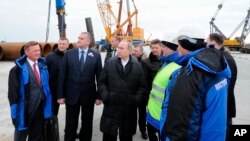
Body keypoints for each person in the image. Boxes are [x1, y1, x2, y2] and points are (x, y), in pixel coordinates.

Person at [160, 35, 231, 141]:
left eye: (179, 45)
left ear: (187, 45)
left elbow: (211, 127)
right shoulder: (187, 68)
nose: (177, 48)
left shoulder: (203, 74)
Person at [98, 39, 146, 141]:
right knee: (109, 135)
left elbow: (142, 87)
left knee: (126, 136)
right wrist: (106, 96)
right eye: (118, 48)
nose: (118, 50)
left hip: (128, 109)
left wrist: (135, 100)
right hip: (111, 107)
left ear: (130, 51)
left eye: (121, 48)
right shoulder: (110, 63)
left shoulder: (137, 66)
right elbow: (101, 82)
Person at [57, 32, 102, 141]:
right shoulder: (69, 54)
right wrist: (60, 96)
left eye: (81, 38)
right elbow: (62, 76)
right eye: (78, 38)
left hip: (88, 95)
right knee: (70, 123)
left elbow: (99, 77)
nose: (78, 40)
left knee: (87, 123)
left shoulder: (96, 55)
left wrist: (99, 96)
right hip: (71, 94)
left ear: (88, 42)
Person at [8, 41, 52, 141]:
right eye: (34, 51)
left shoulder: (43, 66)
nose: (38, 53)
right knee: (20, 137)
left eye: (38, 50)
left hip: (40, 108)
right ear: (26, 52)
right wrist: (14, 114)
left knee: (37, 137)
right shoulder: (16, 70)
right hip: (24, 110)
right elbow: (12, 94)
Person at [146, 40, 180, 141]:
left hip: (162, 118)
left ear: (171, 48)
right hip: (153, 114)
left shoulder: (177, 67)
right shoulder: (166, 62)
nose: (161, 49)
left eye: (163, 47)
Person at [207, 33, 238, 140]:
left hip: (224, 103)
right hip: (226, 102)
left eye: (207, 43)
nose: (206, 45)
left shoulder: (222, 59)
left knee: (225, 133)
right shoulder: (226, 57)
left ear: (213, 42)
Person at [142, 39, 162, 141]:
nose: (154, 50)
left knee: (162, 127)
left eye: (156, 47)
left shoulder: (167, 60)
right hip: (152, 99)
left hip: (164, 100)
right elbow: (144, 81)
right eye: (152, 48)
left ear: (161, 47)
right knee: (151, 126)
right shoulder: (146, 62)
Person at [46, 38, 69, 116]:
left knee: (71, 113)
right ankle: (53, 127)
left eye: (64, 44)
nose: (62, 45)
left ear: (68, 45)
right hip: (54, 90)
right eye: (60, 44)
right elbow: (45, 74)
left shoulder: (71, 56)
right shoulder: (50, 57)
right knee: (53, 112)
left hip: (69, 90)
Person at [132, 45, 148, 139]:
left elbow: (145, 79)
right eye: (134, 50)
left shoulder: (145, 63)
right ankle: (132, 129)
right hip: (132, 93)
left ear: (141, 52)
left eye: (137, 51)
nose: (134, 52)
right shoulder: (130, 61)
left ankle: (143, 130)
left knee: (142, 113)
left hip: (142, 93)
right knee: (132, 113)